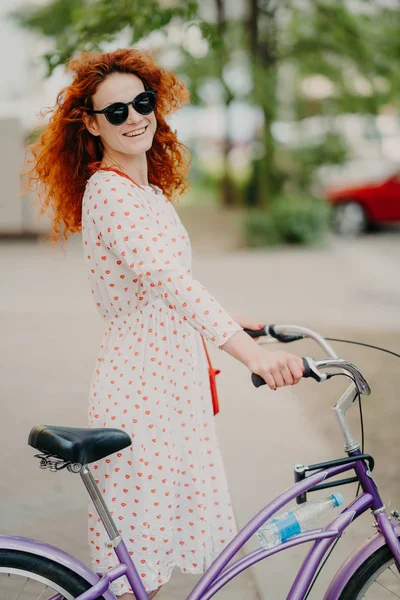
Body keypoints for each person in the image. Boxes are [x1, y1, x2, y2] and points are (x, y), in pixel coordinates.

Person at [26, 48, 304, 599]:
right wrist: (252, 357)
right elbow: (167, 281)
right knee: (138, 571)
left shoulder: (146, 193)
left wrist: (233, 322)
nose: (134, 118)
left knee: (150, 561)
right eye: (116, 112)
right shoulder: (109, 192)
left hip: (171, 387)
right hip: (142, 390)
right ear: (90, 123)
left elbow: (170, 283)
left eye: (143, 103)